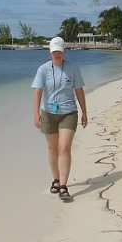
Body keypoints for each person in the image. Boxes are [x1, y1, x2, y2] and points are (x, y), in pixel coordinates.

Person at [32, 36, 87, 199]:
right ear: (50, 51)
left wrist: (84, 112)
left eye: (60, 51)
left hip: (68, 112)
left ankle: (63, 185)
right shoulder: (43, 69)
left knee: (64, 147)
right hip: (48, 113)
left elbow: (79, 91)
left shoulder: (73, 68)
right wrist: (36, 113)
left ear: (64, 52)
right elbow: (38, 92)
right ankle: (55, 180)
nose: (57, 54)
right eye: (54, 51)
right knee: (52, 148)